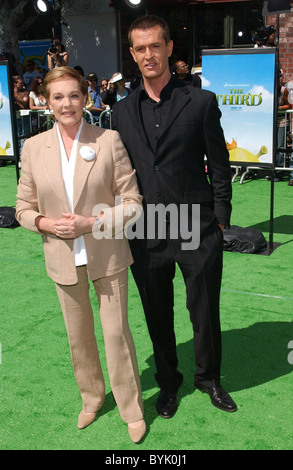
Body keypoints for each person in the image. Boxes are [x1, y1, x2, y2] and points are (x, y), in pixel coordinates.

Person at [112, 15, 237, 419]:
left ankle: (209, 379)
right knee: (157, 313)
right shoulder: (121, 112)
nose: (148, 55)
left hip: (197, 227)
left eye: (155, 46)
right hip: (146, 230)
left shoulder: (201, 102)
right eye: (140, 48)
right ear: (132, 55)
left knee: (204, 309)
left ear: (168, 48)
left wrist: (220, 219)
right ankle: (169, 383)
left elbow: (219, 165)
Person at [15, 66, 146, 443]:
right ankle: (91, 399)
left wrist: (90, 223)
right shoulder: (33, 147)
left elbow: (133, 203)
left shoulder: (109, 140)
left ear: (86, 98)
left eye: (74, 95)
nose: (67, 103)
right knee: (79, 337)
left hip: (107, 255)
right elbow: (23, 207)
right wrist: (46, 223)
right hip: (61, 257)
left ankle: (132, 410)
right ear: (47, 102)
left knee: (116, 334)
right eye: (58, 97)